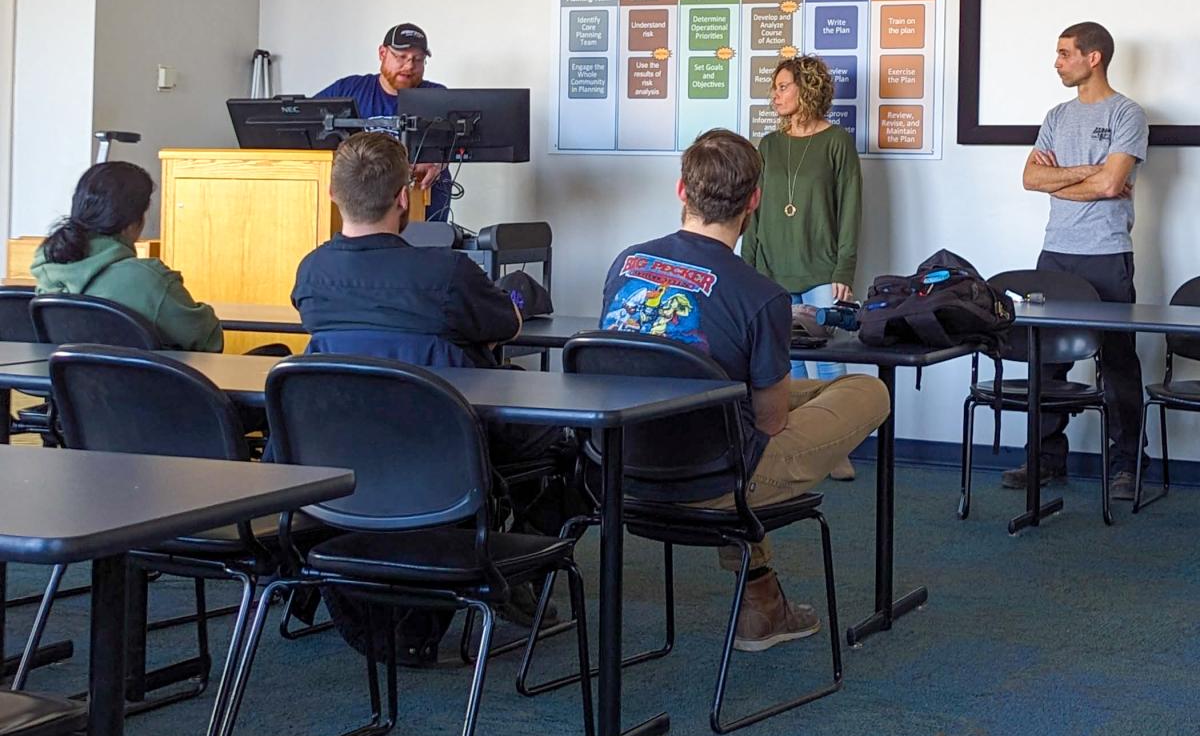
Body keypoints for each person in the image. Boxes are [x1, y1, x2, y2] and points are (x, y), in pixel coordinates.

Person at [600, 128, 889, 652]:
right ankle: (763, 608)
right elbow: (770, 424)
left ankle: (763, 602)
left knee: (729, 411)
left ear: (682, 191)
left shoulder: (626, 264)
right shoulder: (761, 295)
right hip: (710, 481)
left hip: (621, 467)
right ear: (755, 200)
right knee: (866, 392)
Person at [291, 131, 566, 661]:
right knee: (564, 440)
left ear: (333, 194)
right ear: (404, 197)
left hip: (341, 460)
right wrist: (516, 294)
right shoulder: (446, 272)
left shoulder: (312, 272)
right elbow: (506, 324)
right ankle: (516, 569)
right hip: (446, 459)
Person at [1013, 21, 1149, 501]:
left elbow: (1114, 187)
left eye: (1065, 53)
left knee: (1116, 363)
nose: (1057, 62)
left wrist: (1069, 179)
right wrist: (1094, 170)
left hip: (1107, 252)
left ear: (1094, 58)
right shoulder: (1056, 115)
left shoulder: (1128, 114)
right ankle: (1046, 461)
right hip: (1055, 253)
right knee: (1047, 361)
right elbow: (1030, 178)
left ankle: (1127, 466)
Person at [740, 55, 863, 481]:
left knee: (827, 366)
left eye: (783, 86)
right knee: (784, 368)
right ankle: (798, 449)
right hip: (772, 268)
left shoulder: (837, 142)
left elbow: (850, 210)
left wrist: (843, 270)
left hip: (821, 269)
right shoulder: (769, 146)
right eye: (774, 87)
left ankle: (835, 448)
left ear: (806, 89)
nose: (774, 95)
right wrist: (746, 267)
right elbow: (753, 212)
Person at [30, 161, 222, 352]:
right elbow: (208, 341)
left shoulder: (48, 270)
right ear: (132, 223)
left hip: (68, 382)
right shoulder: (150, 280)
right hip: (146, 382)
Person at [314, 22, 454, 222]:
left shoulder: (438, 97)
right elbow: (308, 124)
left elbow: (463, 144)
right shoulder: (347, 90)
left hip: (423, 203)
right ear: (382, 53)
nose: (409, 66)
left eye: (418, 60)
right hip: (358, 206)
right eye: (401, 57)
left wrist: (440, 162)